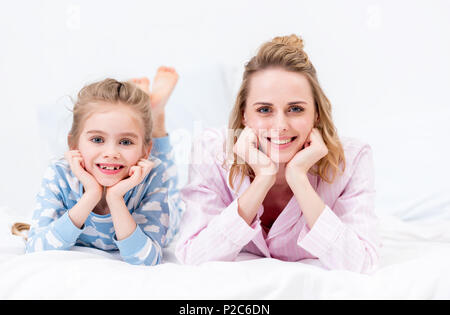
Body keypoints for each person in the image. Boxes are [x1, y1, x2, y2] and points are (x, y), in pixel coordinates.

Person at [175, 35, 380, 273]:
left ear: (316, 113)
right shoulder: (211, 151)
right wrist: (262, 179)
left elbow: (362, 264)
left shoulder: (352, 160)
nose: (280, 125)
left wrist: (299, 179)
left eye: (295, 109)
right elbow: (194, 256)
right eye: (264, 109)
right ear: (244, 115)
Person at [12, 67, 183, 266]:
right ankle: (150, 112)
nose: (111, 153)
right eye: (97, 139)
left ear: (145, 151)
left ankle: (156, 117)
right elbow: (36, 250)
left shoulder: (152, 175)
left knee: (176, 201)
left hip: (166, 208)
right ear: (74, 144)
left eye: (125, 142)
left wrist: (115, 199)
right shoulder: (60, 174)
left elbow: (147, 259)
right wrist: (90, 196)